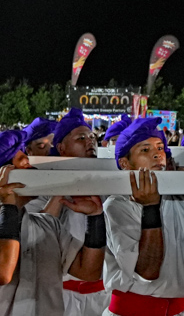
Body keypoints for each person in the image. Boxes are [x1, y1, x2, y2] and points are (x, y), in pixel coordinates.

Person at [103, 117, 184, 316]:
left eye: (160, 148)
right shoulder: (117, 205)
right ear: (125, 163)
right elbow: (147, 272)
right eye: (145, 150)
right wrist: (151, 207)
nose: (157, 155)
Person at [0, 129, 106, 316]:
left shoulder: (48, 224)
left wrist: (95, 217)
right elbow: (3, 272)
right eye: (19, 160)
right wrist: (8, 206)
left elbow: (88, 272)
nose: (28, 163)